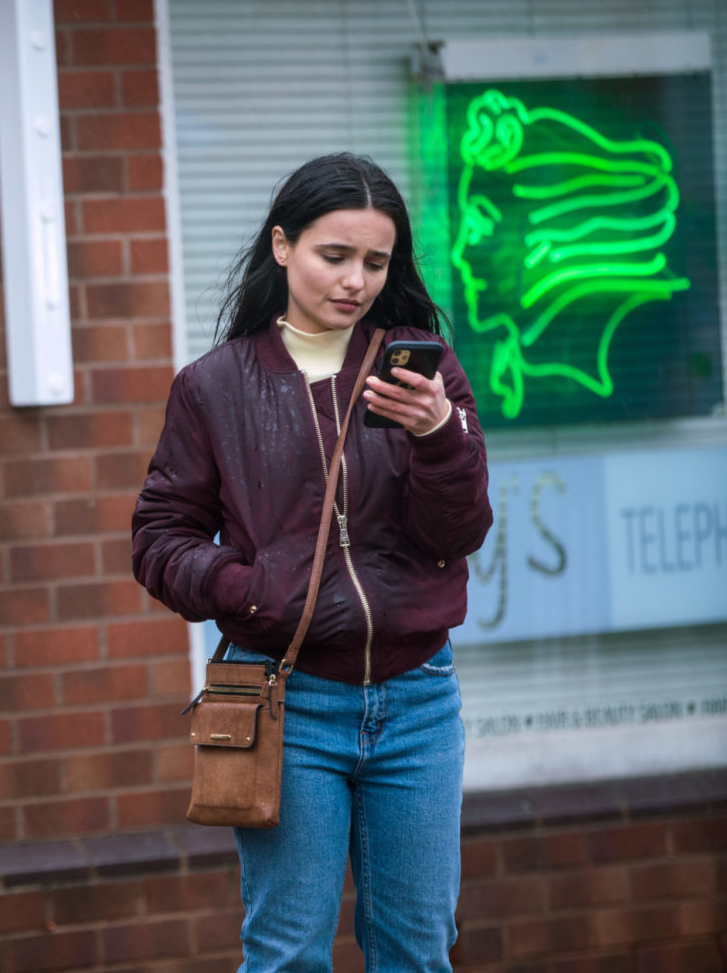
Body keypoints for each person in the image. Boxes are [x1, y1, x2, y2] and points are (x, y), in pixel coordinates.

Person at [132, 153, 492, 972]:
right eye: (336, 256)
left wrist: (440, 436)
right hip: (289, 706)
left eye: (376, 261)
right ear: (283, 247)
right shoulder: (215, 387)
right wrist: (252, 589)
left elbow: (460, 530)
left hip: (418, 701)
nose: (357, 281)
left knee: (419, 951)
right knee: (289, 954)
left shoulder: (420, 369)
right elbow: (160, 539)